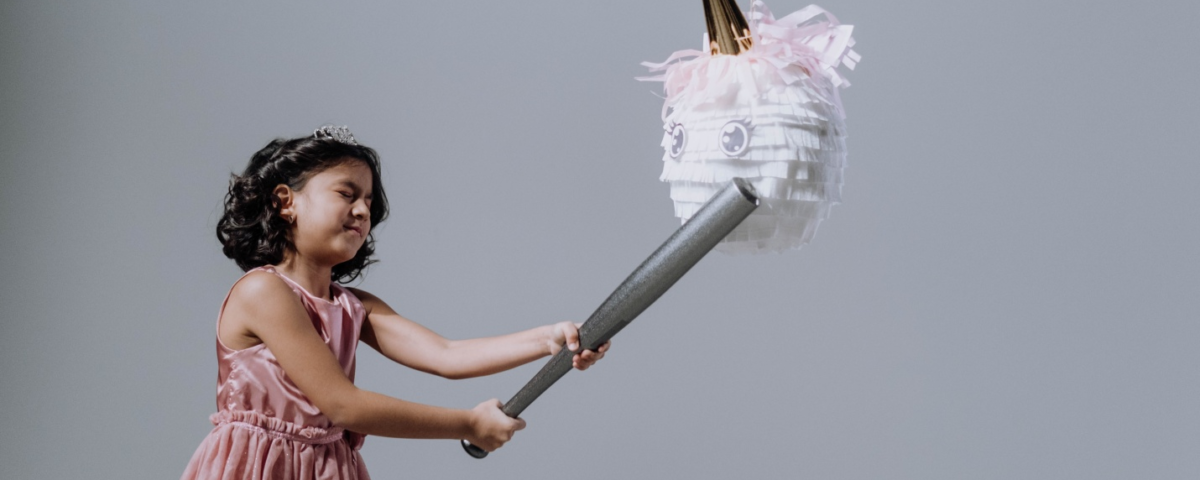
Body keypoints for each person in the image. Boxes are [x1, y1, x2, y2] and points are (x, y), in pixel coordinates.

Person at [182, 125, 610, 479]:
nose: (364, 211)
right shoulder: (264, 291)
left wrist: (551, 339)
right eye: (347, 194)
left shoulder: (354, 306)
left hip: (329, 468)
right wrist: (469, 424)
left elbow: (447, 355)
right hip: (259, 468)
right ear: (285, 202)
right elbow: (342, 404)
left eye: (369, 201)